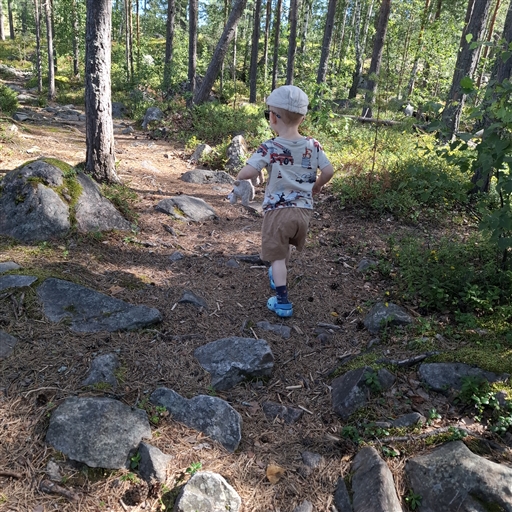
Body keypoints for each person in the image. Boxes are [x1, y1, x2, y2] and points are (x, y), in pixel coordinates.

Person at [236, 85, 334, 318]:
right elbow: (329, 171)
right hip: (303, 212)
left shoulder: (270, 146)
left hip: (277, 211)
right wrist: (317, 185)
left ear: (273, 117)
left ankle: (282, 301)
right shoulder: (313, 145)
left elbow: (247, 173)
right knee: (285, 243)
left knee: (277, 257)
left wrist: (245, 174)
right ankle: (277, 272)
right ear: (302, 118)